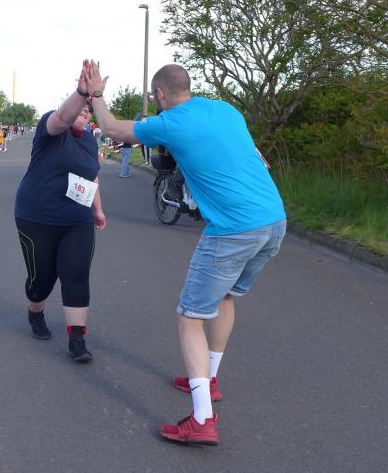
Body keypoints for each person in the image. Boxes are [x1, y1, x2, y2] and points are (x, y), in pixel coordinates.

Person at [87, 61, 286, 446]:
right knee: (226, 297)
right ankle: (209, 380)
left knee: (190, 316)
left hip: (233, 229)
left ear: (160, 94)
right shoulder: (225, 110)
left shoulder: (171, 122)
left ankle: (201, 420)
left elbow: (110, 128)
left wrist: (96, 94)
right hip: (273, 220)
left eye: (154, 97)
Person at [14, 60, 106, 362]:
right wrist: (82, 92)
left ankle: (77, 339)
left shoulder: (89, 141)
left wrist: (98, 209)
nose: (84, 112)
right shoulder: (51, 128)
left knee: (76, 273)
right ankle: (35, 311)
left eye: (88, 110)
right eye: (81, 107)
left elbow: (92, 175)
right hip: (36, 216)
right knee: (42, 279)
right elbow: (63, 117)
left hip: (76, 219)